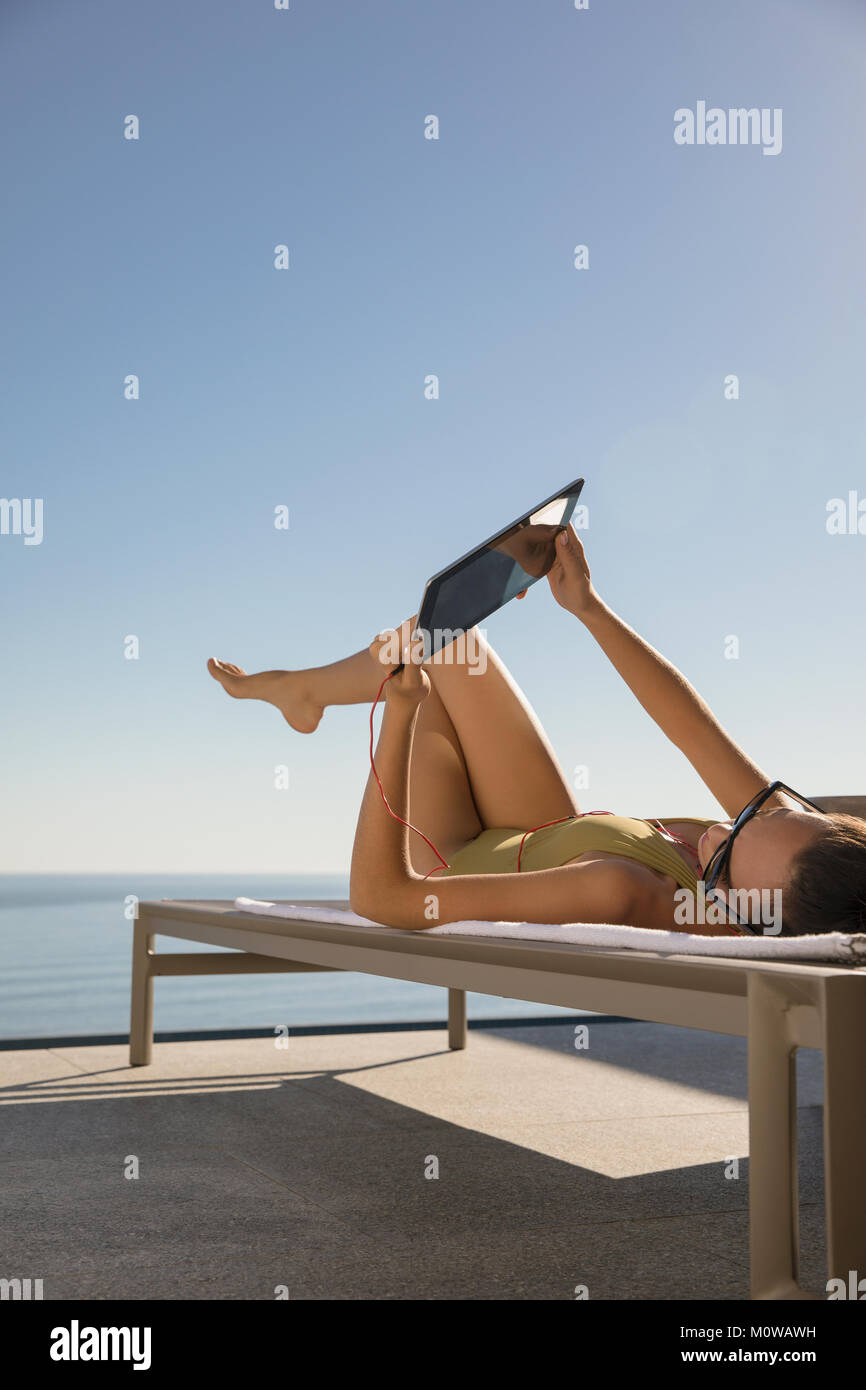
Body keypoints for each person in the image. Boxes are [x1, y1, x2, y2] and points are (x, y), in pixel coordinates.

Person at [208, 525, 866, 937]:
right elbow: (690, 728)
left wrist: (402, 717)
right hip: (541, 829)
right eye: (756, 813)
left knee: (424, 652)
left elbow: (382, 898)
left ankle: (303, 694)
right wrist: (587, 608)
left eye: (717, 866)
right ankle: (304, 693)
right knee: (451, 640)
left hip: (455, 855)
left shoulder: (623, 889)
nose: (719, 832)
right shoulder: (788, 843)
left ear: (742, 914)